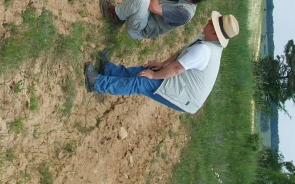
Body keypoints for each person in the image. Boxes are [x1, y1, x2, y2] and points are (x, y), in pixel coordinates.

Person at [84, 12, 239, 114]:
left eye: (211, 22)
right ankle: (108, 70)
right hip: (181, 82)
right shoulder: (206, 40)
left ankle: (96, 83)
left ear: (215, 32)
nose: (208, 21)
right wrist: (161, 65)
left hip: (184, 96)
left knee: (142, 82)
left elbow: (178, 68)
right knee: (146, 70)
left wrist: (155, 75)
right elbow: (181, 54)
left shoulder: (205, 50)